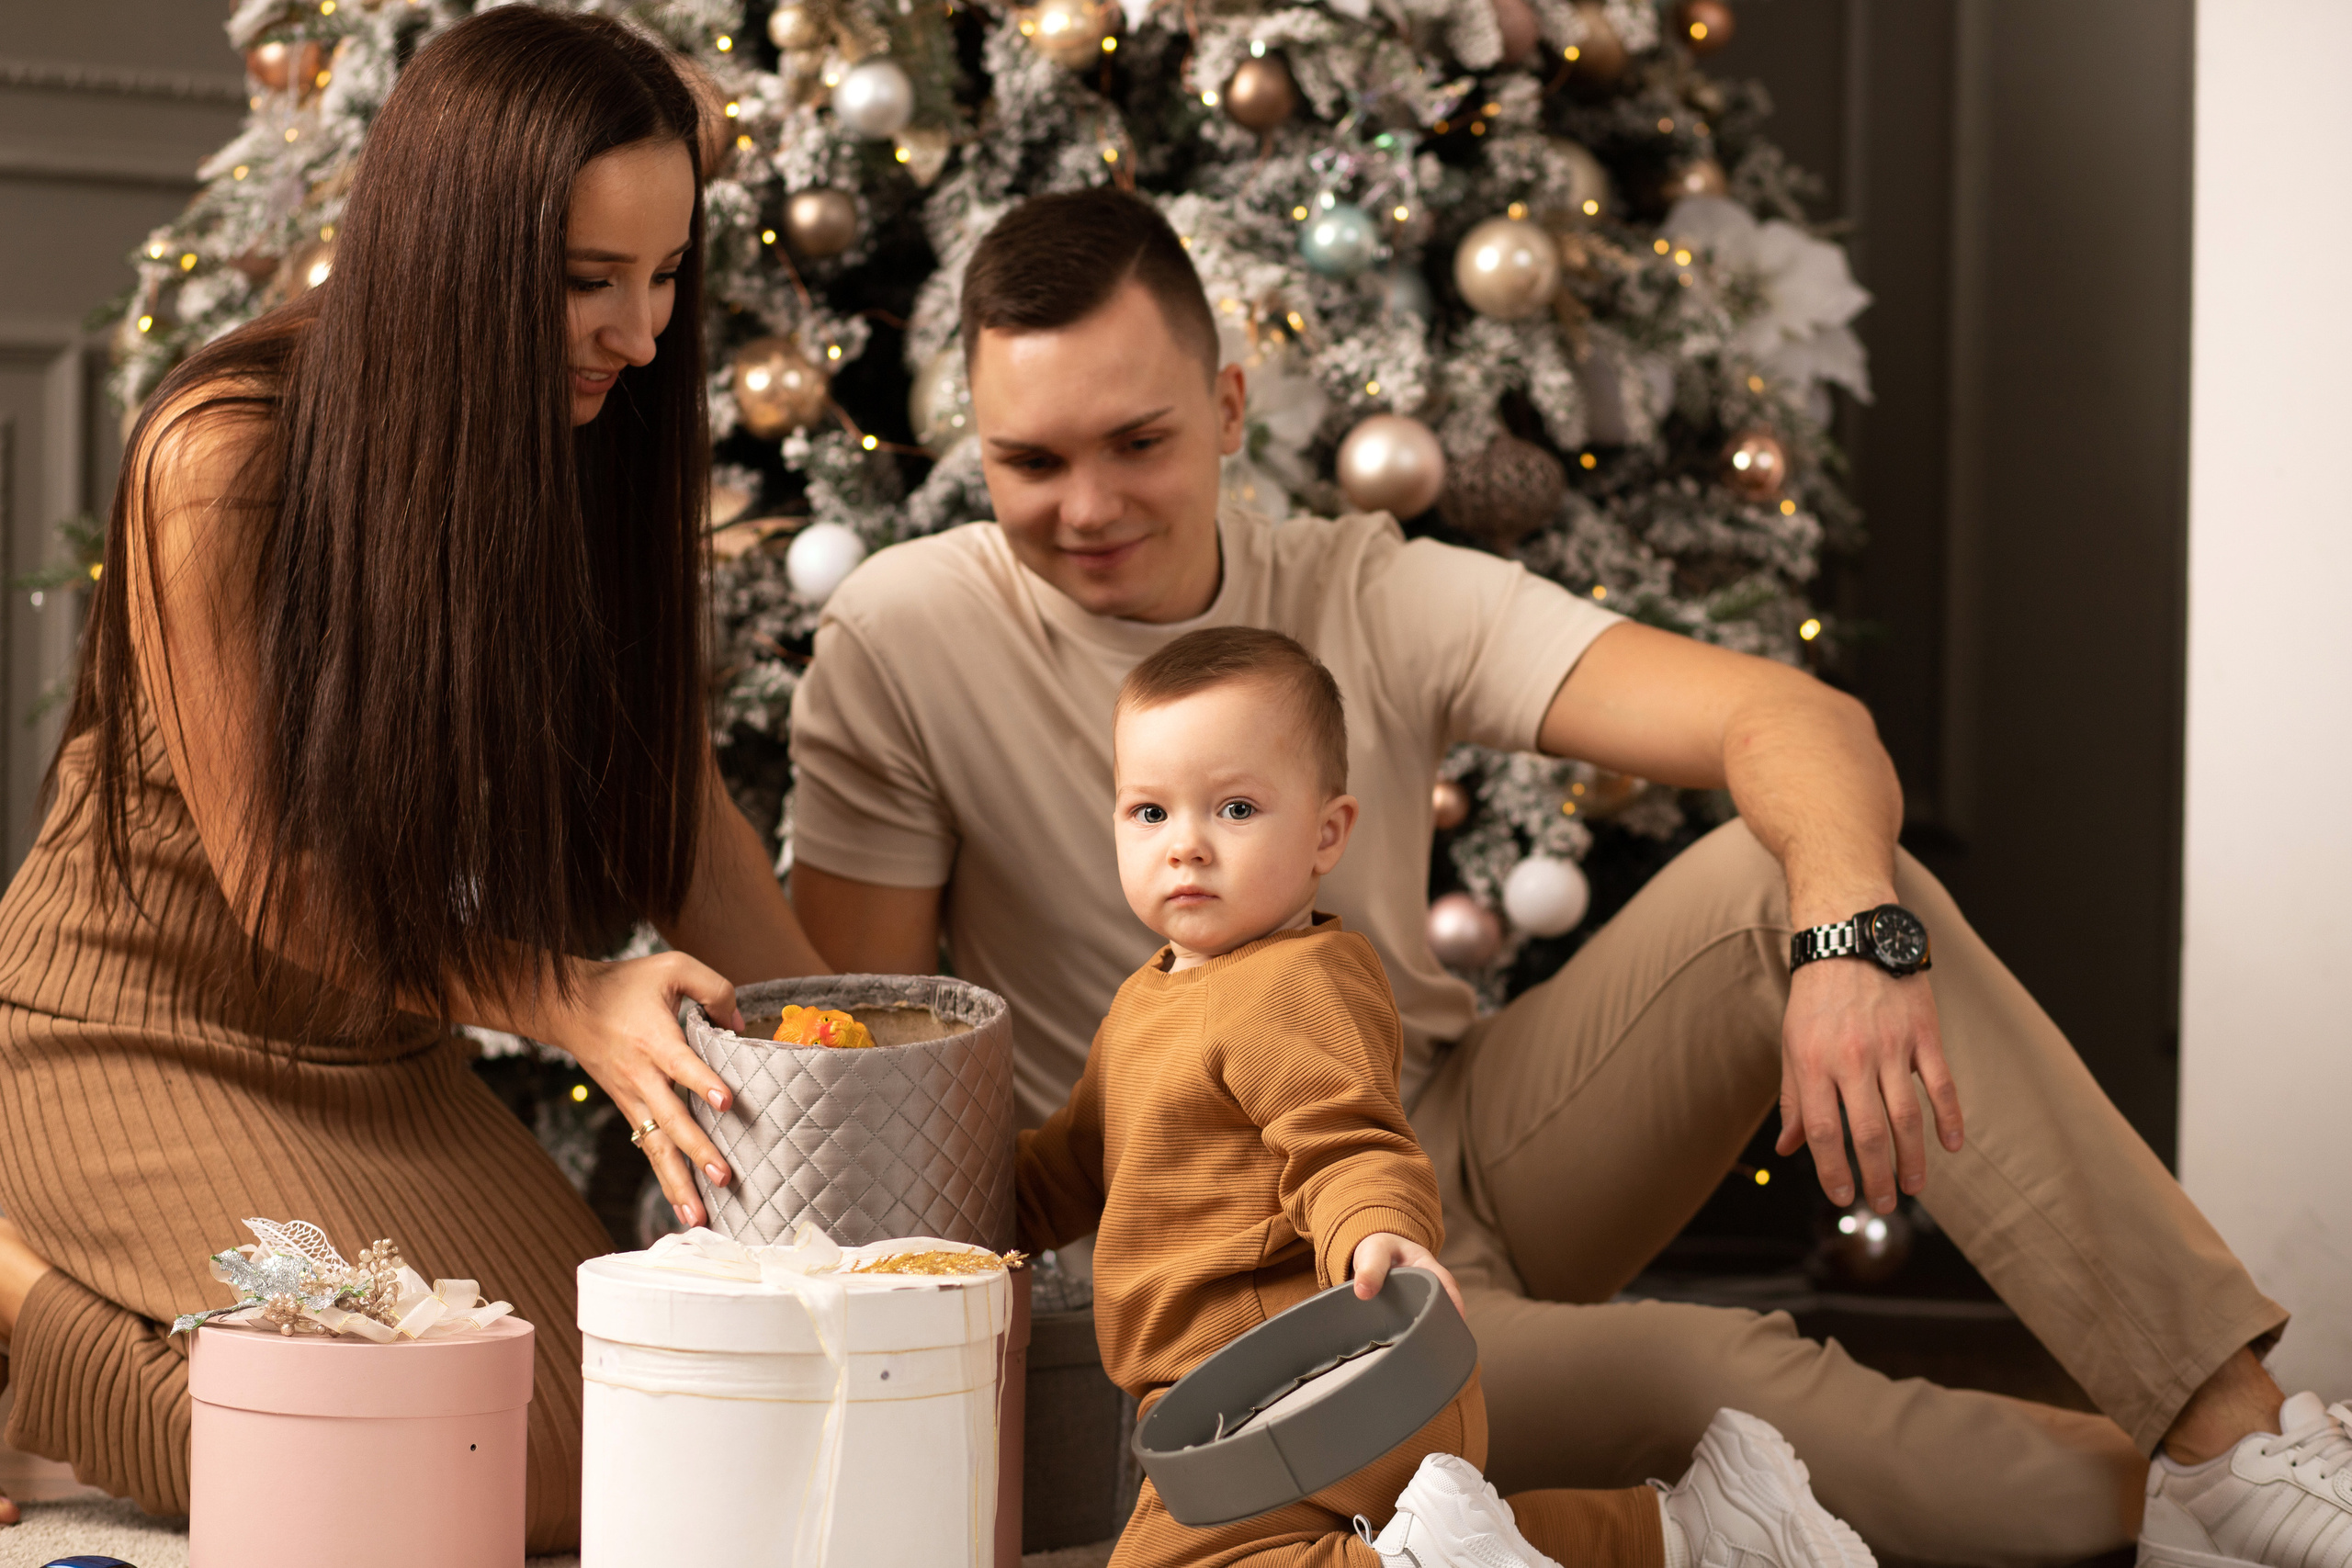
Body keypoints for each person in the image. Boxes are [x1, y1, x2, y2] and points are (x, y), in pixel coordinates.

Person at [789, 186, 2337, 1564]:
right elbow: (883, 1079)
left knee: (1786, 870)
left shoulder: (1362, 588)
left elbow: (1785, 717)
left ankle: (2232, 1437)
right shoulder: (909, 637)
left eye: (1139, 440)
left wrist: (1850, 940)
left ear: (1233, 403)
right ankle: (2138, 1513)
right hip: (1256, 1283)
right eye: (1030, 459)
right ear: (971, 449)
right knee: (1733, 1396)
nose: (1089, 505)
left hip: (1460, 1134)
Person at [0, 10, 822, 1547]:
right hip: (133, 1030)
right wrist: (574, 996)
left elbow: (675, 815)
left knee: (629, 1446)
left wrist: (853, 1059)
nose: (641, 335)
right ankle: (15, 1284)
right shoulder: (222, 459)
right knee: (423, 1478)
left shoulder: (588, 443)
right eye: (588, 281)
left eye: (663, 277)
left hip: (374, 1050)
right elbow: (281, 888)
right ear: (455, 253)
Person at [1015, 625, 1871, 1568]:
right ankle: (1704, 1530)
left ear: (1324, 834)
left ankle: (1413, 1563)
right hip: (1297, 1398)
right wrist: (955, 1202)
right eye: (1148, 814)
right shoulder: (1150, 999)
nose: (1184, 848)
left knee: (1172, 1564)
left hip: (1311, 1381)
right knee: (1463, 1538)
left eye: (1234, 809)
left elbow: (1343, 1139)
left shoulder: (1287, 984)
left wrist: (1374, 1233)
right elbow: (1076, 1160)